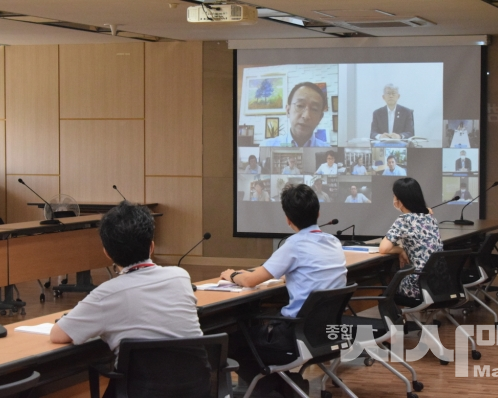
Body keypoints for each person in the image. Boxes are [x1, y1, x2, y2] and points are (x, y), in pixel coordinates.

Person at [50, 202, 204, 396]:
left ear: (107, 252)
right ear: (152, 246)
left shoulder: (106, 294)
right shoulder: (180, 276)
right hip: (195, 390)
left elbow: (58, 335)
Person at [220, 184, 347, 396]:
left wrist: (232, 275)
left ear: (288, 219)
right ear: (318, 213)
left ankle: (275, 387)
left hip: (295, 335)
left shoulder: (294, 245)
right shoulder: (333, 242)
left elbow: (251, 280)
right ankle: (284, 386)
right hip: (325, 333)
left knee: (231, 338)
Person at [379, 178, 442, 307]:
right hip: (439, 284)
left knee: (384, 293)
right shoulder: (430, 218)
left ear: (400, 201)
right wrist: (402, 249)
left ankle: (399, 326)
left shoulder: (404, 219)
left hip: (417, 287)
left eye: (394, 196)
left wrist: (400, 250)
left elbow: (383, 249)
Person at [260, 82, 330, 147]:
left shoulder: (327, 149)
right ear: (288, 111)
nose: (306, 116)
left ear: (320, 118)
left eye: (314, 109)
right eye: (300, 106)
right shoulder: (267, 146)